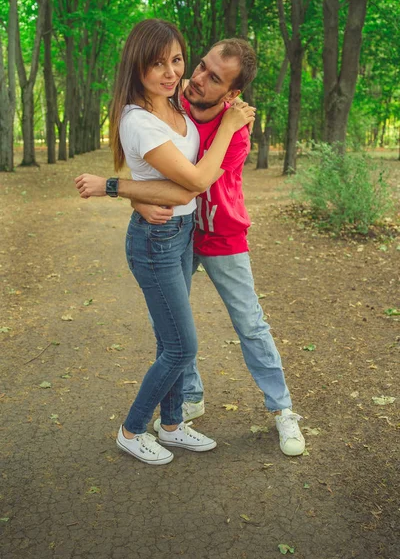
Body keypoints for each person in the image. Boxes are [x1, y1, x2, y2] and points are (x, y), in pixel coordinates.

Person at [76, 37, 305, 457]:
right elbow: (152, 168)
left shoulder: (235, 134)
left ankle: (282, 409)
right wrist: (136, 198)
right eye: (199, 65)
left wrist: (121, 189)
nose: (195, 77)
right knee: (177, 330)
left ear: (233, 94)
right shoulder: (172, 100)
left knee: (249, 324)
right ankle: (184, 403)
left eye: (213, 77)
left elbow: (190, 185)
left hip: (220, 234)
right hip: (174, 234)